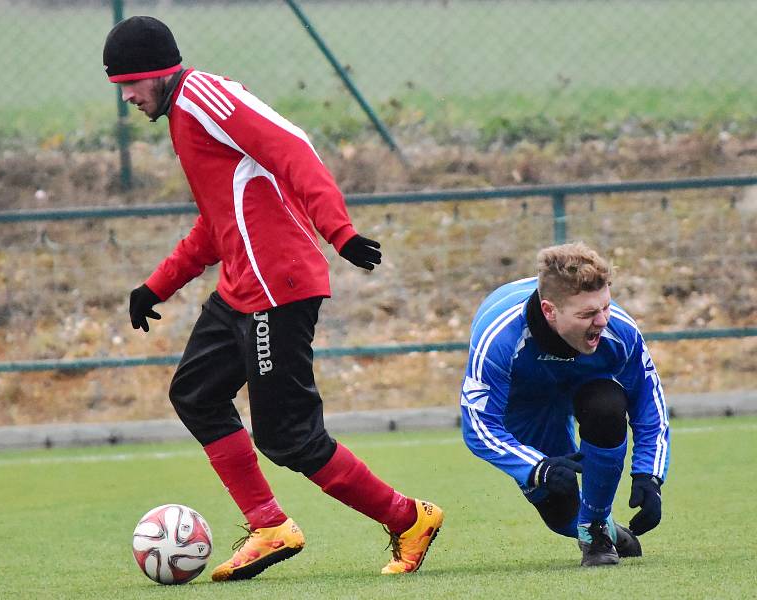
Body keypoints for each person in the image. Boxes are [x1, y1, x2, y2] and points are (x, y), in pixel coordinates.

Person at [102, 16, 442, 580]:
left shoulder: (204, 97)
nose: (128, 96)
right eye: (120, 87)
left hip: (277, 288)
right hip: (240, 289)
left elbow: (294, 149)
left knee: (288, 438)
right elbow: (216, 225)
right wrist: (156, 285)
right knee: (195, 394)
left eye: (131, 83)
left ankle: (409, 518)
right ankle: (269, 525)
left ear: (160, 72)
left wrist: (341, 232)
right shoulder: (183, 120)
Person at [460, 242, 669, 566]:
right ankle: (594, 525)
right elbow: (479, 426)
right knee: (560, 507)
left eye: (605, 307)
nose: (602, 321)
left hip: (587, 384)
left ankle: (596, 527)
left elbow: (648, 403)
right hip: (525, 401)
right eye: (587, 314)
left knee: (607, 407)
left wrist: (650, 475)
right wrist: (536, 467)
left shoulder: (619, 330)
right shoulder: (499, 339)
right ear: (549, 311)